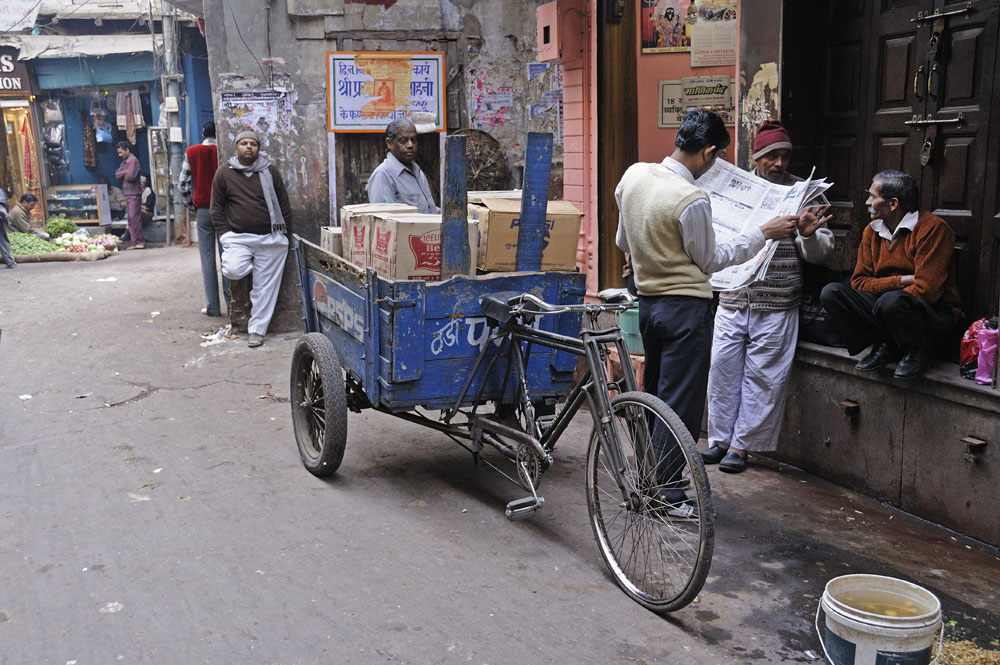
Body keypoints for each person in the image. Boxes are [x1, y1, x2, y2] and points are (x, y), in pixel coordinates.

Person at [615, 109, 801, 517]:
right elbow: (712, 259)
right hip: (685, 310)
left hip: (648, 306)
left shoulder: (634, 176)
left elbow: (622, 239)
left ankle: (650, 479)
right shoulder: (690, 198)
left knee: (657, 395)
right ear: (709, 152)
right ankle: (668, 492)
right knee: (679, 405)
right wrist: (762, 233)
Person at [702, 120, 834, 473]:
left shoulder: (806, 193)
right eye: (771, 156)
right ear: (757, 157)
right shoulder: (738, 188)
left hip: (777, 301)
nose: (779, 163)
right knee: (722, 370)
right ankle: (718, 440)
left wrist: (807, 235)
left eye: (785, 157)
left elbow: (822, 252)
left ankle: (742, 448)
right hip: (733, 296)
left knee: (764, 376)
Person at [820, 170, 961, 378]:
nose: (867, 201)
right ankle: (887, 344)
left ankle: (920, 350)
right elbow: (858, 282)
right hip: (886, 307)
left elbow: (927, 290)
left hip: (932, 314)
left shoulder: (933, 229)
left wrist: (884, 289)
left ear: (893, 204)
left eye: (872, 196)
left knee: (892, 302)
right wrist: (902, 280)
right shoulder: (872, 230)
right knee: (831, 293)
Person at [210, 129, 291, 348]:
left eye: (253, 144)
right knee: (234, 269)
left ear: (258, 148)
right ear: (236, 147)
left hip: (269, 239)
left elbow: (283, 204)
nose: (248, 147)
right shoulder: (224, 173)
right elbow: (216, 208)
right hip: (237, 238)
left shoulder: (269, 171)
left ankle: (257, 331)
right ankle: (248, 266)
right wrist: (224, 234)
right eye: (244, 143)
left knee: (264, 288)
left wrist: (284, 233)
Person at [179, 120, 230, 317]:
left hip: (203, 209)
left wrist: (192, 206)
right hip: (225, 211)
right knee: (228, 258)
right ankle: (232, 304)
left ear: (203, 134)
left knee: (207, 259)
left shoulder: (192, 152)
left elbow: (183, 184)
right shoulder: (224, 152)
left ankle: (213, 307)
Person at [366, 118, 439, 214]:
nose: (410, 145)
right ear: (389, 143)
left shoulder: (418, 171)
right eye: (403, 140)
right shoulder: (383, 175)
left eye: (413, 140)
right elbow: (384, 220)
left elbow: (428, 209)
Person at [115, 141, 144, 249]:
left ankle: (139, 242)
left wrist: (124, 173)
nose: (119, 155)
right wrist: (124, 172)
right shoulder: (125, 162)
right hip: (128, 193)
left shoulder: (133, 161)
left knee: (134, 218)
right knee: (131, 219)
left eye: (121, 152)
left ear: (127, 150)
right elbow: (117, 174)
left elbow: (131, 177)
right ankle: (135, 242)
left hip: (134, 193)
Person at [0, 189, 14, 269]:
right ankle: (9, 261)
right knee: (2, 238)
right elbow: (5, 206)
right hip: (1, 215)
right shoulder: (1, 192)